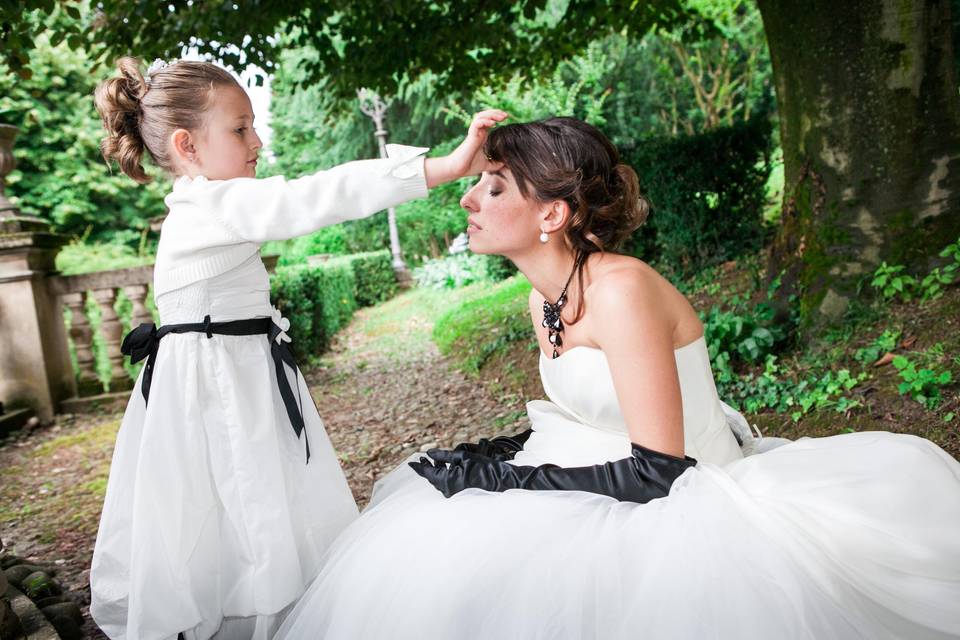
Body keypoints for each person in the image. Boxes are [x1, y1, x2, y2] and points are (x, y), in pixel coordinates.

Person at [275, 117, 960, 639]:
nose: (469, 201)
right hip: (616, 473)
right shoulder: (540, 297)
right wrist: (496, 455)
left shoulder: (621, 290)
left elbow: (661, 468)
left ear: (552, 214)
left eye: (493, 186)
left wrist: (506, 481)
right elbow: (587, 413)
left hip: (693, 496)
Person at [88, 56, 507, 640]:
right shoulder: (214, 204)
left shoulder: (199, 203)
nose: (257, 141)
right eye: (240, 129)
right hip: (222, 397)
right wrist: (447, 166)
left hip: (234, 381)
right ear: (187, 145)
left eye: (253, 125)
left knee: (247, 522)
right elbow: (319, 195)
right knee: (248, 519)